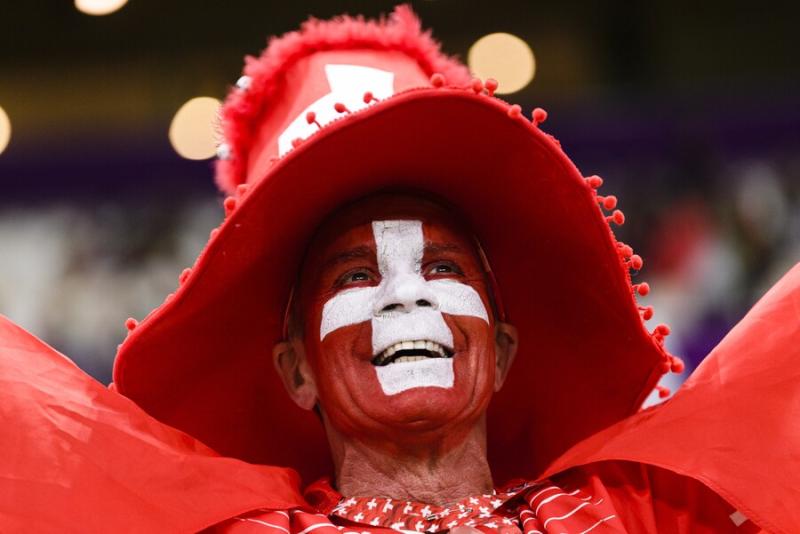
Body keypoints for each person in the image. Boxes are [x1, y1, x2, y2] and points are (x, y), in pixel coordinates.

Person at [1, 6, 798, 533]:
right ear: (296, 368)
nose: (404, 291)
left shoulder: (648, 510)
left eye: (443, 264)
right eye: (353, 277)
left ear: (506, 348)